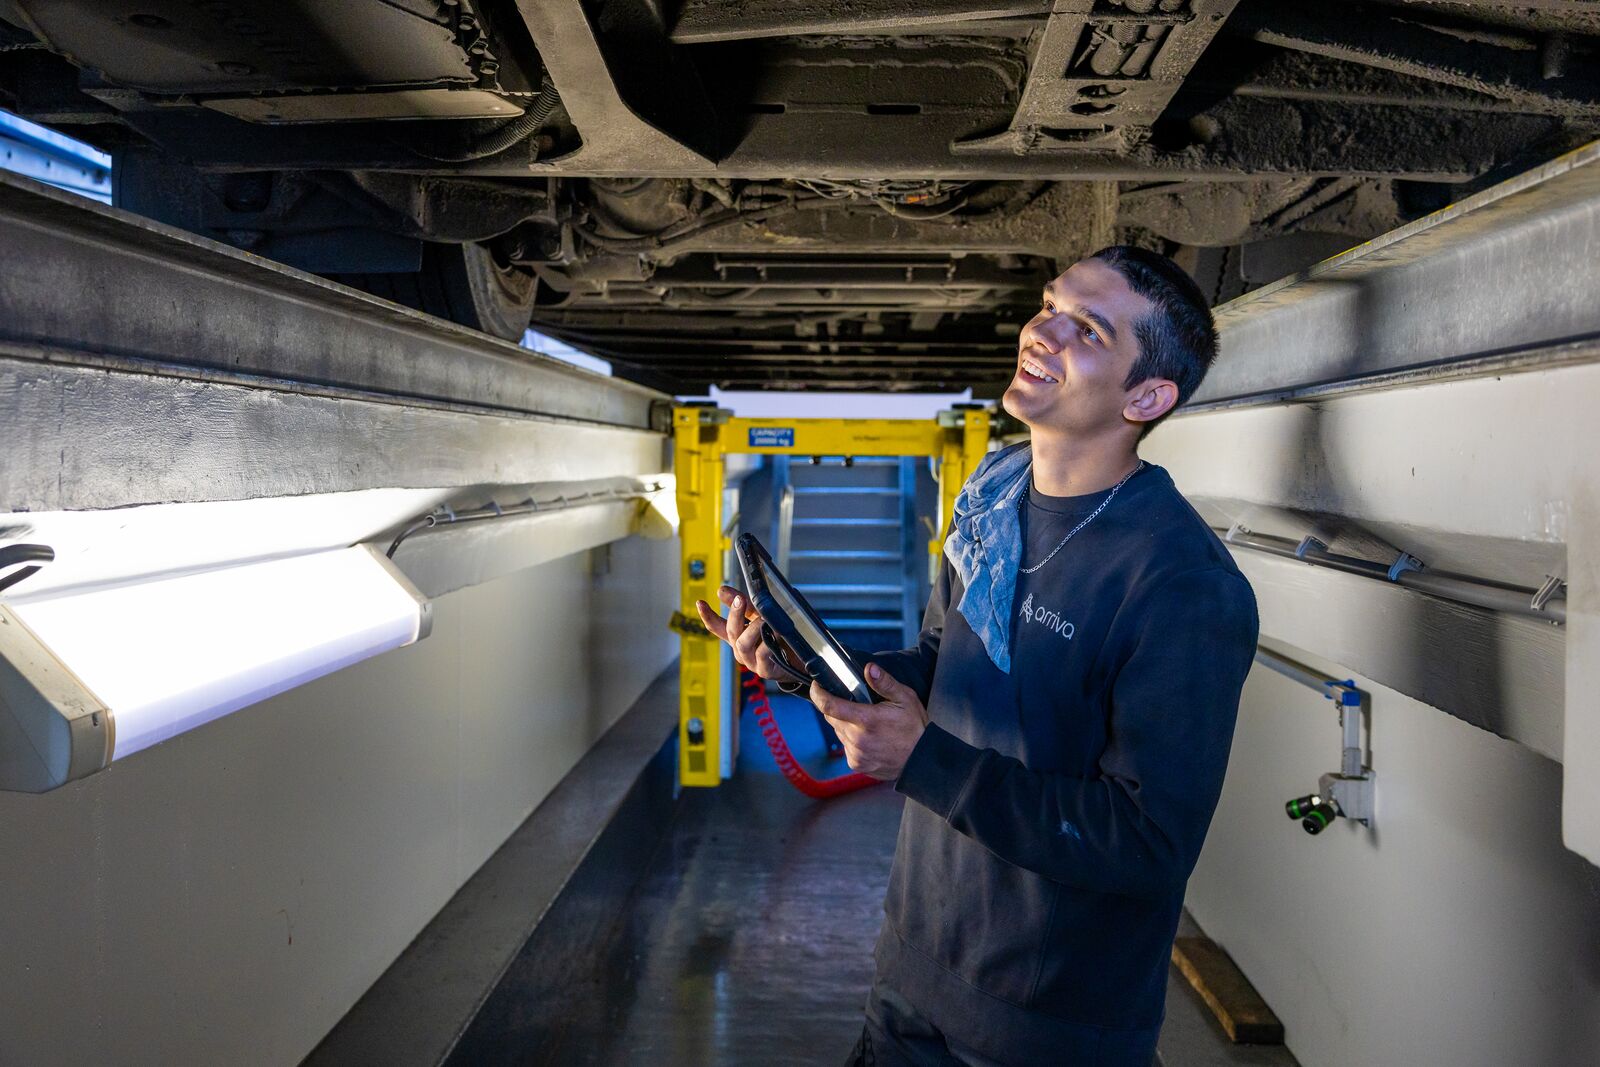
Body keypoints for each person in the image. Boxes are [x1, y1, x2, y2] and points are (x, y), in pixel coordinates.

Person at [696, 246, 1259, 1067]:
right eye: (1049, 304)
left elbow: (1145, 841)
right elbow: (943, 658)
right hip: (911, 976)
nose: (1042, 330)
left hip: (1046, 1027)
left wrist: (924, 758)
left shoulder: (1180, 582)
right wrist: (802, 666)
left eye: (1087, 328)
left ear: (1148, 395)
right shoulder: (993, 494)